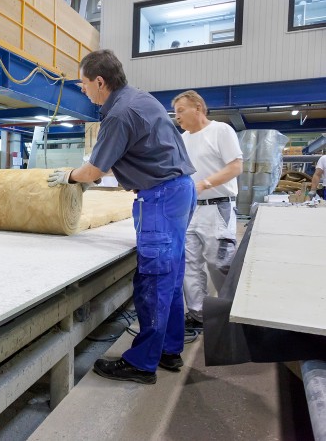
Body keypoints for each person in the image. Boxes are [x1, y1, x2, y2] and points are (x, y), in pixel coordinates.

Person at [47, 49, 197, 384]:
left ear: (100, 81)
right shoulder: (141, 99)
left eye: (85, 84)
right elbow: (127, 155)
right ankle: (169, 350)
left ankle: (143, 363)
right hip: (180, 191)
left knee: (153, 279)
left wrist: (72, 176)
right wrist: (92, 172)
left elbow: (95, 169)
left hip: (158, 197)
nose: (84, 91)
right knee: (170, 275)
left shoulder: (118, 113)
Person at [172, 90, 243, 331]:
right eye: (175, 112)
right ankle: (198, 314)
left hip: (217, 207)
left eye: (181, 111)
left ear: (199, 108)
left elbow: (236, 167)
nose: (177, 116)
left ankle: (231, 316)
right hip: (190, 210)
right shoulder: (182, 139)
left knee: (219, 263)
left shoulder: (221, 131)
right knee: (189, 264)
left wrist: (204, 184)